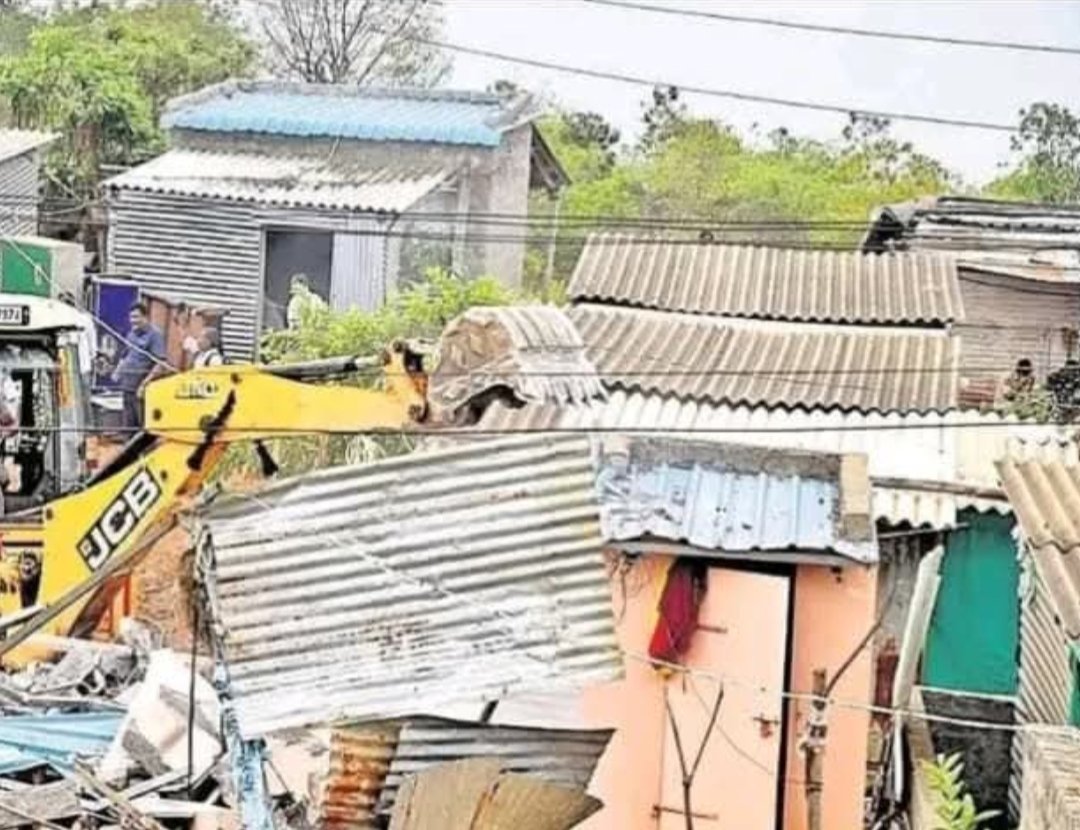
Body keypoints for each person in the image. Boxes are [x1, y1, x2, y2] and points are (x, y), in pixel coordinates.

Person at [111, 302, 166, 431]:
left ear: (146, 317)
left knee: (141, 423)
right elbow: (125, 355)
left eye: (136, 317)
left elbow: (160, 363)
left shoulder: (155, 335)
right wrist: (117, 372)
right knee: (128, 422)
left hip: (141, 388)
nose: (133, 321)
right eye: (131, 317)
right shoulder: (131, 334)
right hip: (127, 385)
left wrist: (144, 385)